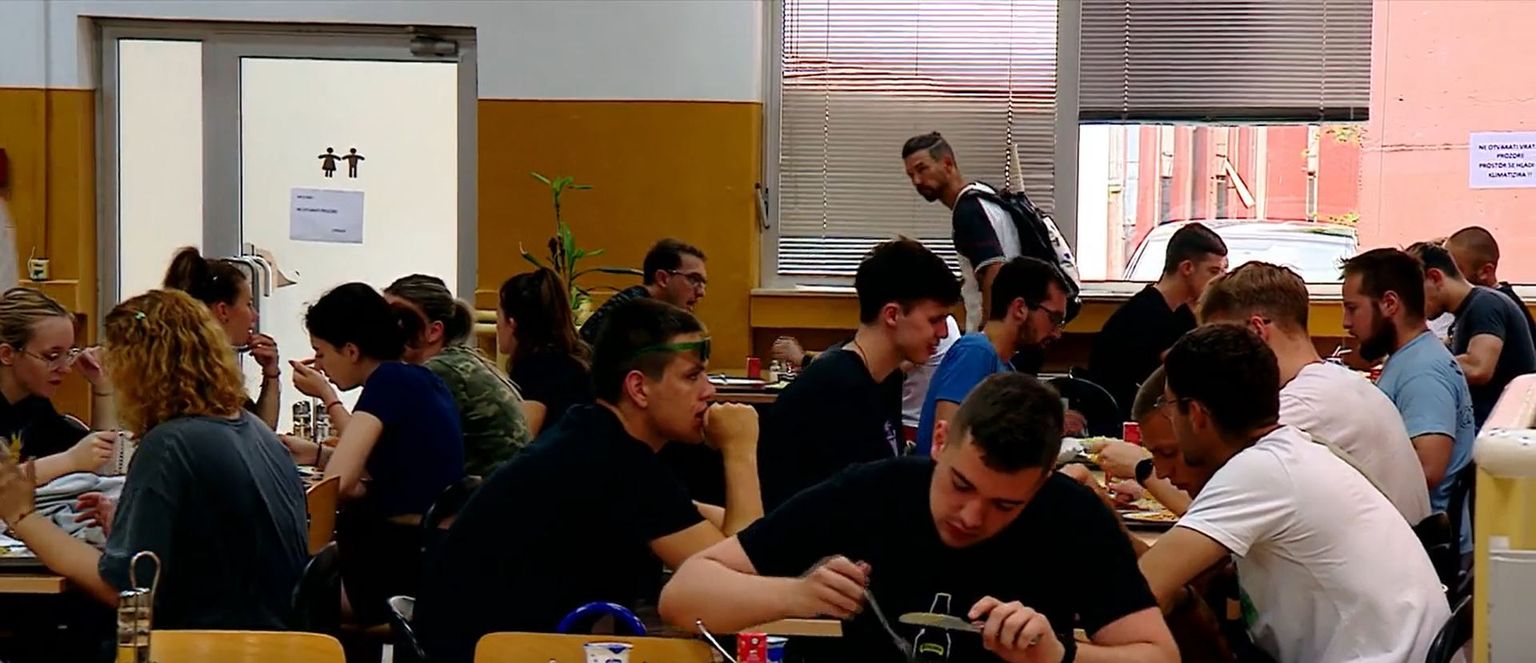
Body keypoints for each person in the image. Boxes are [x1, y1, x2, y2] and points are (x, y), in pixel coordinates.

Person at [661, 373, 1178, 663]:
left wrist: (1058, 655)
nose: (971, 516)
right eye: (961, 484)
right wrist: (798, 595)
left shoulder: (1071, 516)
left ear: (1042, 482)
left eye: (1005, 505)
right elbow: (683, 596)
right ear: (939, 442)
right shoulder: (872, 492)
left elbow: (1159, 656)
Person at [414, 299, 762, 663]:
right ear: (639, 388)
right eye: (692, 376)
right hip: (492, 653)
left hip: (487, 645)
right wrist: (740, 449)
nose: (709, 390)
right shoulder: (615, 461)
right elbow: (735, 585)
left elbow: (695, 521)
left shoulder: (593, 435)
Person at [1137, 324, 1449, 663]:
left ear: (1196, 415)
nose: (1171, 418)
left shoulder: (1258, 471)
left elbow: (1141, 590)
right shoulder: (1292, 451)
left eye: (1169, 407)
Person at [0, 290, 307, 633]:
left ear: (139, 370)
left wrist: (22, 516)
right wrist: (134, 527)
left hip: (204, 644)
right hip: (272, 637)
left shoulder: (170, 445)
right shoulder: (254, 431)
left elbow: (122, 589)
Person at [280, 282, 465, 625]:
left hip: (391, 569)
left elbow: (339, 484)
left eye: (321, 353)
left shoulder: (387, 382)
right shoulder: (422, 380)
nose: (319, 365)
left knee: (272, 580)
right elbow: (391, 474)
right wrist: (319, 454)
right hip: (428, 558)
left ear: (351, 351)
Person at [1196, 261, 1432, 523]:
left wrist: (1154, 469)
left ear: (1256, 331)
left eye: (1222, 343)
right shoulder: (1342, 383)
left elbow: (1211, 503)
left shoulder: (1303, 404)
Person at [758, 238, 961, 510]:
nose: (944, 333)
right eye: (935, 320)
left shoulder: (886, 378)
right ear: (892, 315)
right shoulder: (833, 391)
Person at [1341, 248, 1477, 552]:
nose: (1346, 323)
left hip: (1423, 546)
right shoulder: (1411, 358)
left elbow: (1428, 469)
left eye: (1352, 308)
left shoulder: (1422, 371)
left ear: (1390, 304)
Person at [915, 257, 1069, 453]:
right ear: (1019, 309)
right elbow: (946, 447)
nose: (1057, 333)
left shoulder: (1004, 367)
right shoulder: (975, 353)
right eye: (1054, 318)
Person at [385, 274, 532, 476]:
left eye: (398, 319)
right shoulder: (456, 361)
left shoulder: (439, 372)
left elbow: (377, 454)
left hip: (493, 492)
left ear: (434, 331)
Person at [1089, 223, 1228, 420]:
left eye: (1223, 271)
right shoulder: (1141, 316)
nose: (1220, 280)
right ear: (1187, 268)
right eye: (1214, 271)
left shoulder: (1181, 313)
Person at [901, 132, 1022, 332]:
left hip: (1001, 334)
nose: (917, 181)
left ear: (948, 164)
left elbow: (993, 270)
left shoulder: (968, 211)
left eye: (922, 169)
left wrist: (988, 335)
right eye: (910, 175)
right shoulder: (984, 195)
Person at [1409, 240, 1536, 428]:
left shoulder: (1485, 304)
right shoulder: (1466, 313)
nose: (1413, 304)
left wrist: (1413, 368)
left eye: (1414, 294)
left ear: (1435, 277)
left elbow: (1478, 368)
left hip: (1494, 432)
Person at [0, 288, 115, 484]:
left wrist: (102, 388)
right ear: (7, 354)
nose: (65, 368)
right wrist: (70, 460)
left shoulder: (35, 404)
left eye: (69, 354)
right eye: (52, 356)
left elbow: (101, 460)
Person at [162, 247, 283, 429]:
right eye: (249, 304)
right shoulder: (202, 376)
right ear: (223, 310)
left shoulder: (210, 369)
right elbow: (253, 437)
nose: (255, 315)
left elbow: (260, 434)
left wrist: (271, 374)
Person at [498, 268, 595, 435]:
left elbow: (521, 437)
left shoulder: (534, 369)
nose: (497, 325)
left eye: (498, 315)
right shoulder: (576, 360)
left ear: (512, 322)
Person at [578, 238, 708, 344]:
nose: (701, 292)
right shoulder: (634, 314)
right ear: (663, 279)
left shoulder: (648, 309)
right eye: (693, 280)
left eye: (703, 284)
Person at [1445, 226, 1536, 342]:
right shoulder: (1486, 302)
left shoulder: (1489, 307)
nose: (1446, 277)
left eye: (1455, 271)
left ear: (1485, 271)